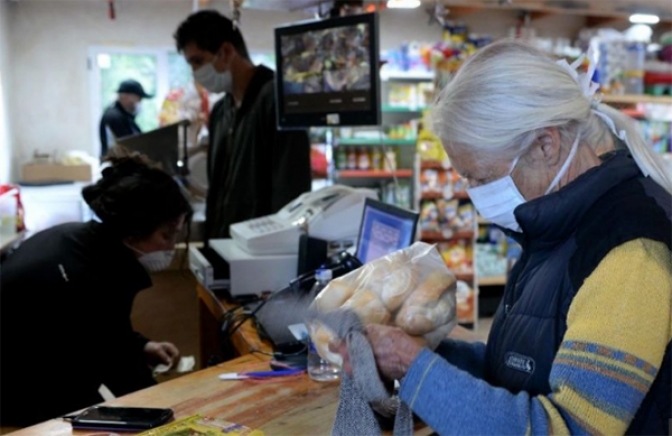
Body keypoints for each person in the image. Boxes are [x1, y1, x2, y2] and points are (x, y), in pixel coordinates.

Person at [334, 40, 672, 435]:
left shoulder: (630, 255)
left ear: (546, 145)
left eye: (482, 177)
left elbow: (568, 428)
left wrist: (416, 369)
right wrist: (432, 358)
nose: (474, 193)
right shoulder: (556, 222)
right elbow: (521, 369)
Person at [0, 157, 192, 427]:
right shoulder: (88, 274)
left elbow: (103, 333)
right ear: (133, 231)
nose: (171, 248)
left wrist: (141, 347)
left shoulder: (78, 239)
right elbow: (118, 367)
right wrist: (170, 419)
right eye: (166, 235)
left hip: (33, 366)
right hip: (18, 391)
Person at [173, 11, 311, 239]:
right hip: (225, 246)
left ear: (226, 52)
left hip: (263, 251)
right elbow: (217, 192)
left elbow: (291, 190)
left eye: (198, 61)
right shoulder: (221, 112)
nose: (196, 73)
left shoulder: (278, 102)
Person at [99, 79, 153, 158]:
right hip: (117, 166)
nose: (139, 103)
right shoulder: (115, 117)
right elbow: (129, 146)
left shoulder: (124, 116)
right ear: (124, 96)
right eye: (138, 98)